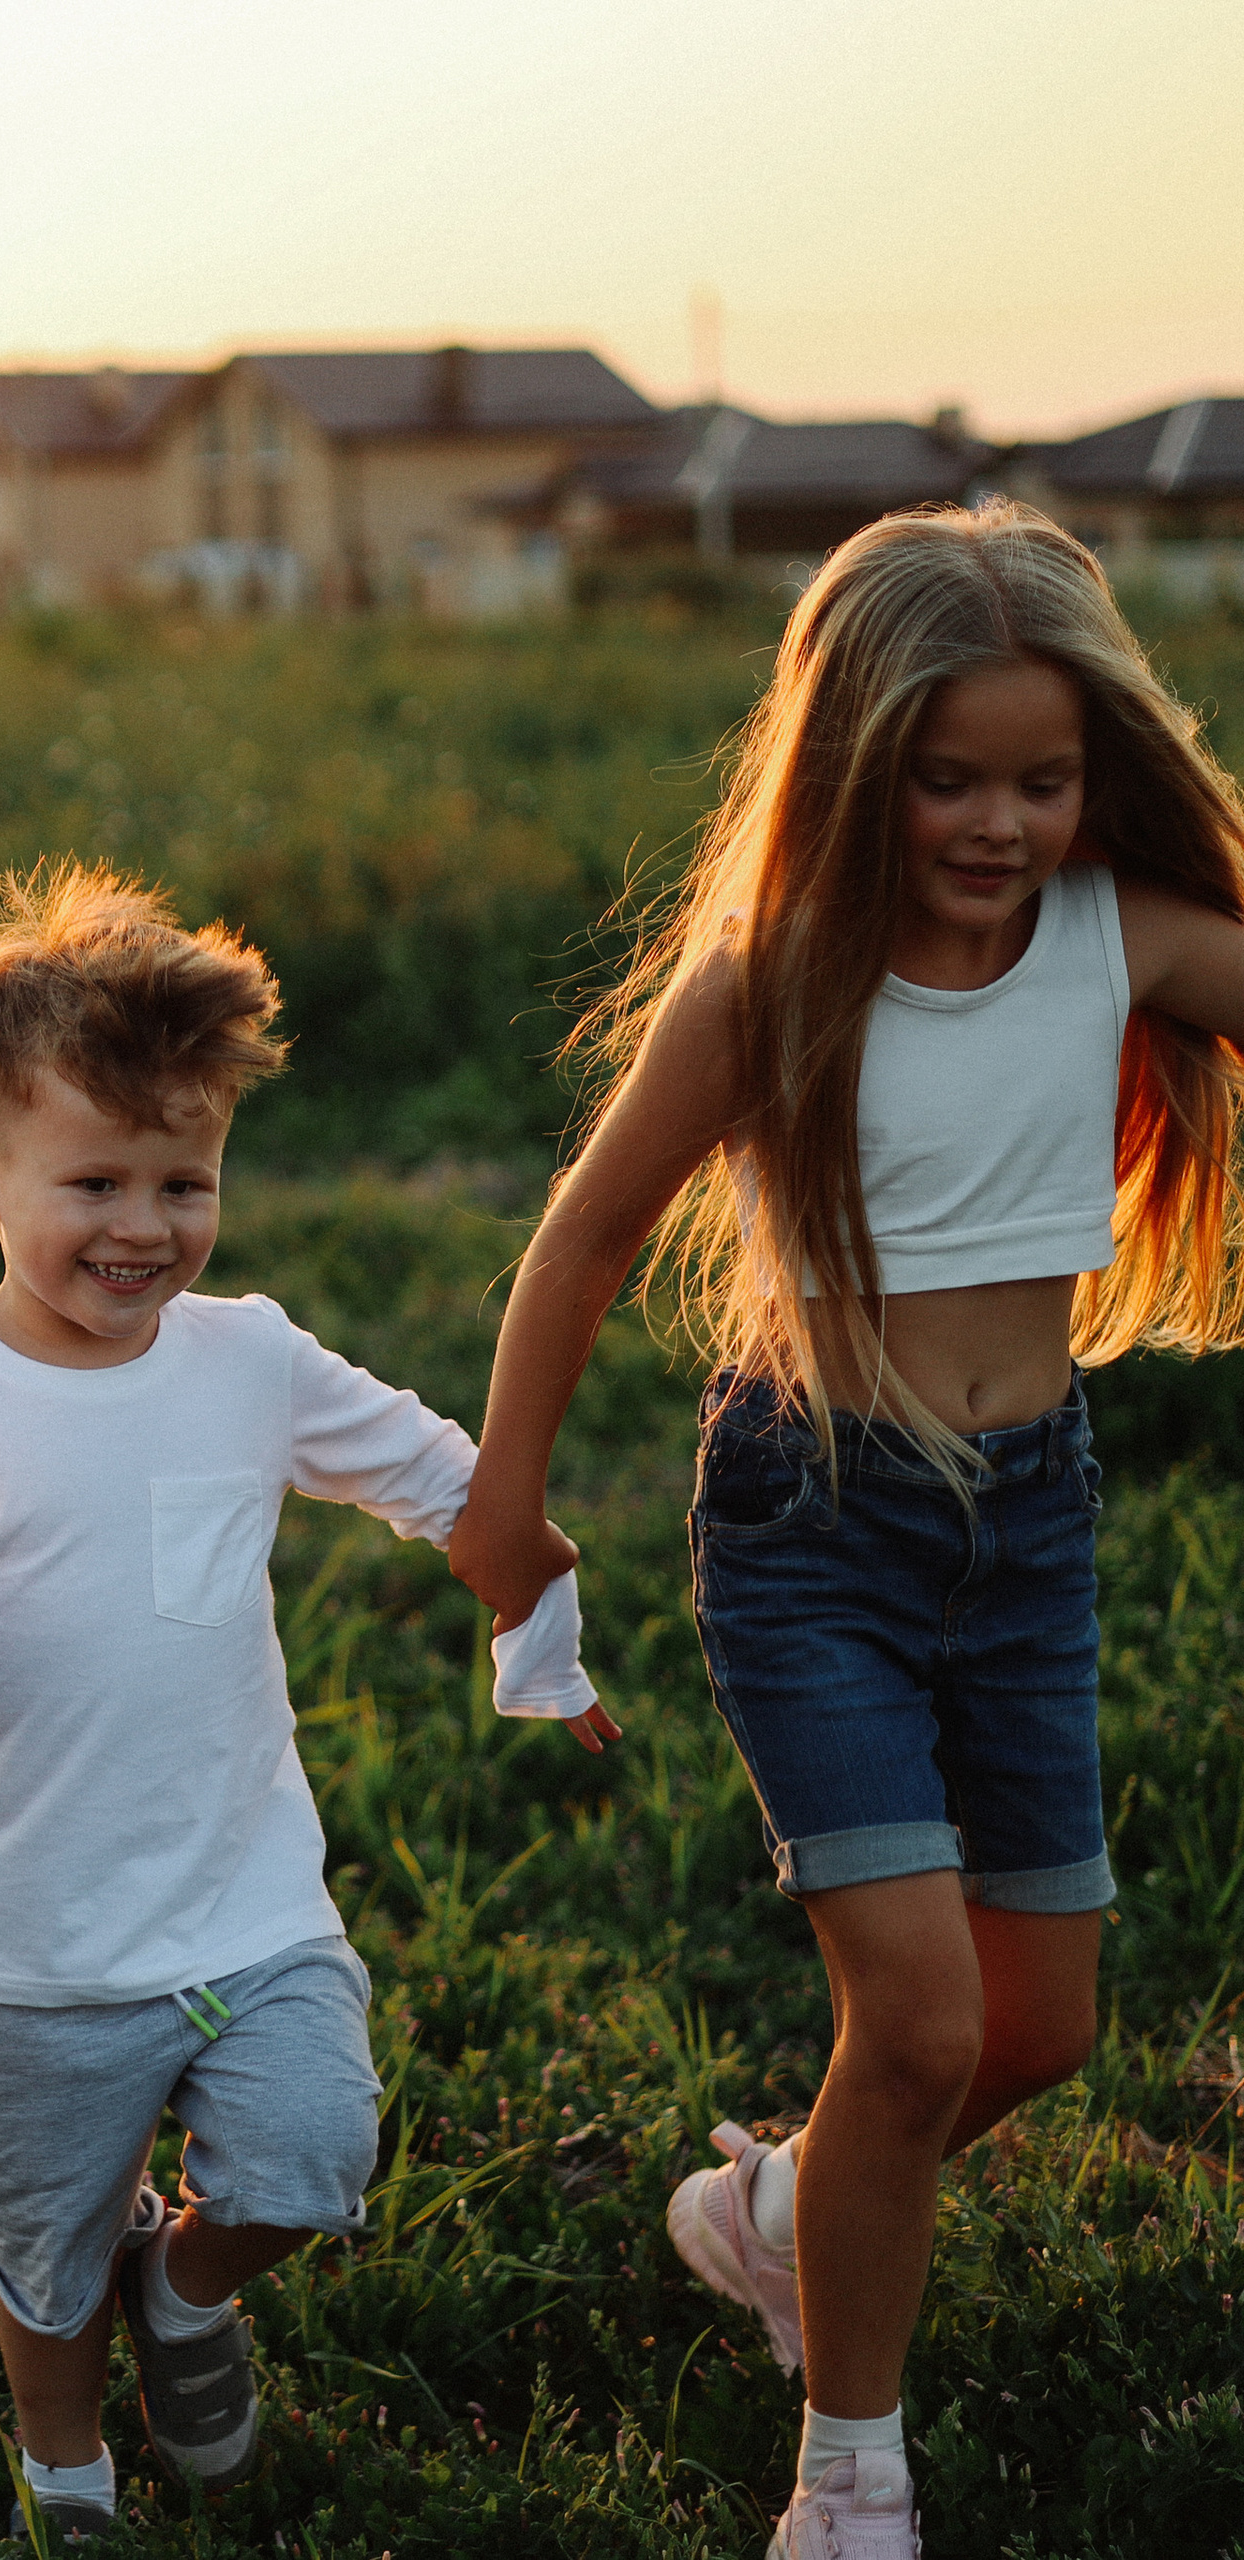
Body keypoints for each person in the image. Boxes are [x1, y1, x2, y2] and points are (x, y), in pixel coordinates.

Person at [448, 499, 1244, 2558]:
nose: (993, 822)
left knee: (1036, 2024)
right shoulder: (772, 981)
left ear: (1098, 772)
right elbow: (586, 1231)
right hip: (814, 1517)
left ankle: (790, 2197)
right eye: (943, 776)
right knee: (914, 2020)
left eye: (1040, 777)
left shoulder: (1114, 935)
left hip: (1029, 1521)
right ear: (850, 765)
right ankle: (842, 2479)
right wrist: (504, 1503)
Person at [0, 863, 610, 2541]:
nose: (143, 1226)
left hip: (244, 1908)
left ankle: (188, 2282)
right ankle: (67, 2467)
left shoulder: (246, 1359)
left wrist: (535, 1601)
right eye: (93, 1181)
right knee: (42, 2246)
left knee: (317, 2150)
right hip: (30, 1943)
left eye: (185, 1179)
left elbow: (447, 1480)